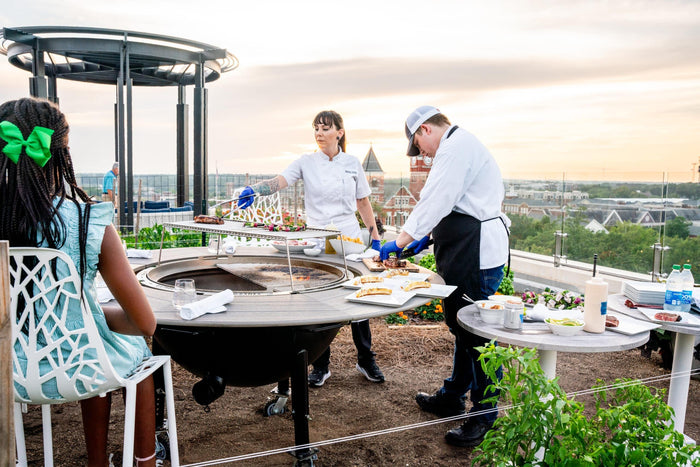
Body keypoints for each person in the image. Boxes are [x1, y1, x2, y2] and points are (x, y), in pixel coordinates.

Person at [0, 97, 159, 466]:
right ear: (62, 154)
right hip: (80, 366)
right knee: (123, 349)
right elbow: (144, 323)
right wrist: (89, 313)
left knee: (97, 342)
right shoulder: (89, 222)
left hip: (11, 370)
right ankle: (143, 461)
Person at [380, 105, 510, 447]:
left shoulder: (455, 148)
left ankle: (483, 415)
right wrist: (424, 239)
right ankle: (453, 395)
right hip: (464, 251)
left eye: (418, 146)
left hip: (475, 253)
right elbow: (454, 205)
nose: (421, 154)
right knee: (463, 326)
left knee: (478, 336)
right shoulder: (459, 146)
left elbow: (434, 201)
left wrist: (400, 240)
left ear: (425, 129)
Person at [237, 110, 385, 386]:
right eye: (316, 129)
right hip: (317, 241)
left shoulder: (352, 163)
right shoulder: (306, 162)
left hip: (347, 242)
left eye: (326, 129)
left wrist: (374, 238)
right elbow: (280, 181)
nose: (319, 134)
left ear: (339, 132)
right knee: (320, 301)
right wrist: (254, 190)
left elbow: (363, 203)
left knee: (359, 299)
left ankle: (366, 360)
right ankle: (321, 365)